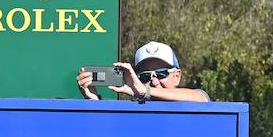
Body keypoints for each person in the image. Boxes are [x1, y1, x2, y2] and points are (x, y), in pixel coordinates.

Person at [75, 41, 210, 103]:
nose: (154, 81)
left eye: (161, 74)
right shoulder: (135, 110)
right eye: (145, 76)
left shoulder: (193, 99)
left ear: (177, 76)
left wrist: (145, 91)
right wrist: (94, 100)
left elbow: (201, 98)